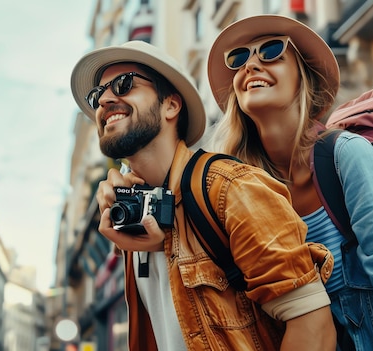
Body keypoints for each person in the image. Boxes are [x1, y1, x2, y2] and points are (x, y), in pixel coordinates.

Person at [70, 40, 337, 351]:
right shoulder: (130, 216)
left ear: (171, 105)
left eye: (123, 84)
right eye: (96, 95)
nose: (104, 100)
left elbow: (314, 328)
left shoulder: (231, 188)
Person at [206, 15, 373, 351]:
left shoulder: (346, 156)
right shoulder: (235, 190)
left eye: (271, 51)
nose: (251, 65)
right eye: (239, 58)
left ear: (302, 78)